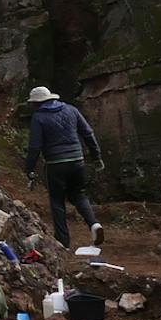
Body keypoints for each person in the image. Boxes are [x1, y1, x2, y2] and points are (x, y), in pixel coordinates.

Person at [23, 85, 104, 251]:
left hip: (56, 164)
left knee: (57, 201)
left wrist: (29, 168)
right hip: (77, 160)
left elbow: (35, 147)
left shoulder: (39, 117)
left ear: (37, 103)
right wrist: (97, 157)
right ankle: (94, 224)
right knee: (79, 195)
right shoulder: (71, 110)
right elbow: (88, 133)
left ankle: (63, 242)